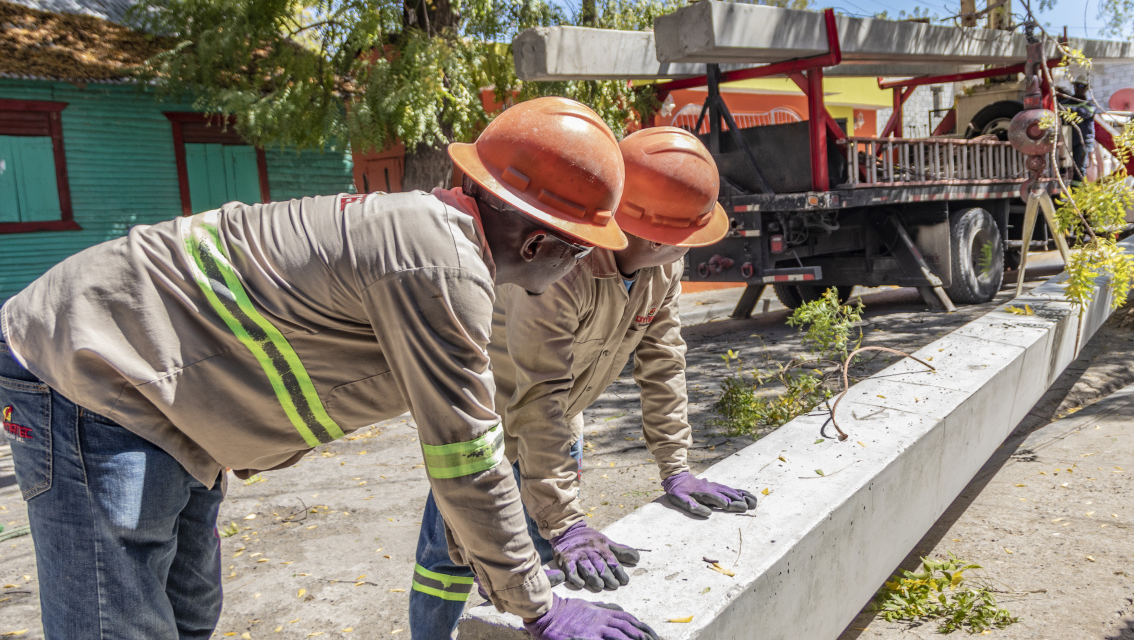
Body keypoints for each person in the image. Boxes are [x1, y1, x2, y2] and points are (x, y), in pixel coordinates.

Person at [0, 97, 661, 640]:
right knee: (119, 625)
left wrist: (499, 564)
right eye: (578, 254)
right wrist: (541, 607)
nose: (580, 269)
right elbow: (468, 457)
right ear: (540, 242)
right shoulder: (439, 265)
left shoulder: (440, 242)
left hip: (166, 395)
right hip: (92, 366)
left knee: (188, 611)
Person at [410, 126, 757, 636]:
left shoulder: (662, 270)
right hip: (486, 434)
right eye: (681, 238)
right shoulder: (559, 268)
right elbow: (537, 395)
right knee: (451, 561)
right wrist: (564, 520)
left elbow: (663, 362)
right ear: (647, 233)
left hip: (557, 430)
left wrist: (676, 468)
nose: (687, 250)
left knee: (555, 560)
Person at [1059, 80, 1097, 182]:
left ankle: (1077, 192)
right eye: (1076, 85)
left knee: (1079, 168)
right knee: (1063, 167)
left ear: (1086, 88)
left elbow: (1084, 112)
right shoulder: (1065, 103)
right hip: (1067, 140)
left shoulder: (1090, 104)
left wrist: (1067, 109)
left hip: (1082, 141)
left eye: (1081, 85)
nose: (1078, 88)